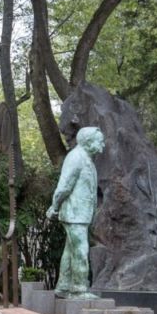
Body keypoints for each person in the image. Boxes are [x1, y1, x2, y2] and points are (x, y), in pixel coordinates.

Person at [46, 126, 105, 299]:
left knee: (70, 249)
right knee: (80, 249)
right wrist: (54, 206)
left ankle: (63, 287)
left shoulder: (86, 158)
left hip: (80, 213)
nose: (102, 146)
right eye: (100, 142)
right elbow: (64, 186)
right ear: (88, 142)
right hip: (74, 213)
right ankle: (79, 290)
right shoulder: (76, 158)